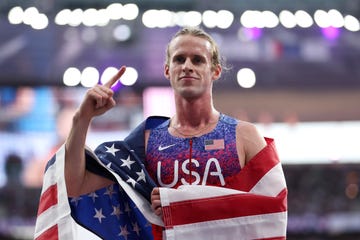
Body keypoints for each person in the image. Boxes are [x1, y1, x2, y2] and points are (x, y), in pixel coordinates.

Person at [38, 27, 287, 240]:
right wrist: (82, 119)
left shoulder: (243, 136)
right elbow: (72, 186)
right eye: (179, 59)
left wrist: (181, 203)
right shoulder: (145, 141)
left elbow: (272, 213)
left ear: (216, 71)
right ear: (168, 70)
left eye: (198, 60)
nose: (187, 66)